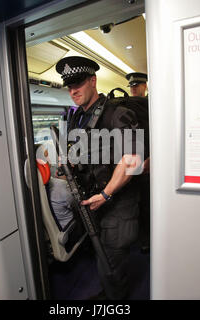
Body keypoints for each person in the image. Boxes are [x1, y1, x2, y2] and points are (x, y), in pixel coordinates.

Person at [55, 56, 146, 300]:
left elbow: (132, 160)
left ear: (93, 81)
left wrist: (106, 194)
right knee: (102, 254)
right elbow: (83, 151)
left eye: (78, 84)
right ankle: (110, 292)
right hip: (94, 200)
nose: (73, 91)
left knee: (112, 259)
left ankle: (117, 299)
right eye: (69, 86)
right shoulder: (78, 117)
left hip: (118, 203)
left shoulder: (118, 114)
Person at [126, 72, 150, 254]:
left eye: (137, 86)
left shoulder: (154, 106)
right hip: (133, 162)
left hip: (149, 163)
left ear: (145, 87)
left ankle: (149, 238)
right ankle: (138, 237)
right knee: (135, 202)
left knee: (147, 203)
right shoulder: (126, 108)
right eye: (132, 86)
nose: (134, 88)